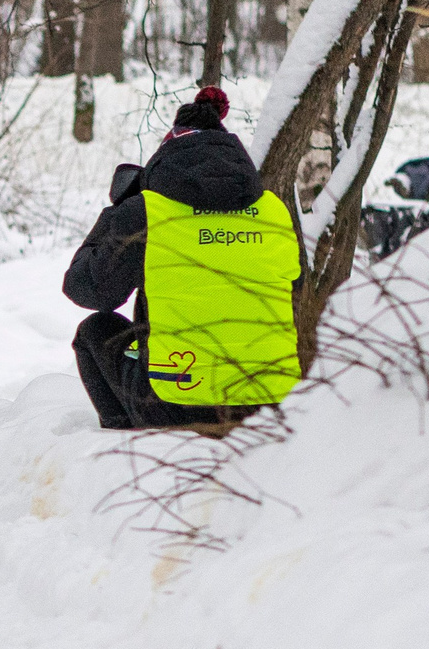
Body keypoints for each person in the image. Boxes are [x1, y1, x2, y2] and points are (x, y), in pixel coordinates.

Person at [61, 87, 302, 435]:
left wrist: (115, 216)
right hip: (270, 404)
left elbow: (87, 290)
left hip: (174, 404)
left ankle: (126, 442)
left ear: (166, 157)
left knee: (95, 331)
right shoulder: (273, 210)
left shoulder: (149, 212)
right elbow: (294, 288)